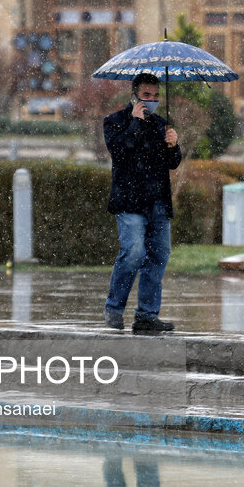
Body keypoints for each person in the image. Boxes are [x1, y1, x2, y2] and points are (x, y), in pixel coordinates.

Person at [103, 72, 182, 334]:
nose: (152, 100)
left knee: (159, 255)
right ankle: (114, 308)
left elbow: (171, 164)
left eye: (156, 96)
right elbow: (120, 152)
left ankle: (147, 316)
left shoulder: (162, 124)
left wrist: (174, 145)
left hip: (158, 202)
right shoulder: (115, 121)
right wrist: (135, 124)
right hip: (129, 202)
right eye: (146, 95)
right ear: (134, 95)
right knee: (134, 252)